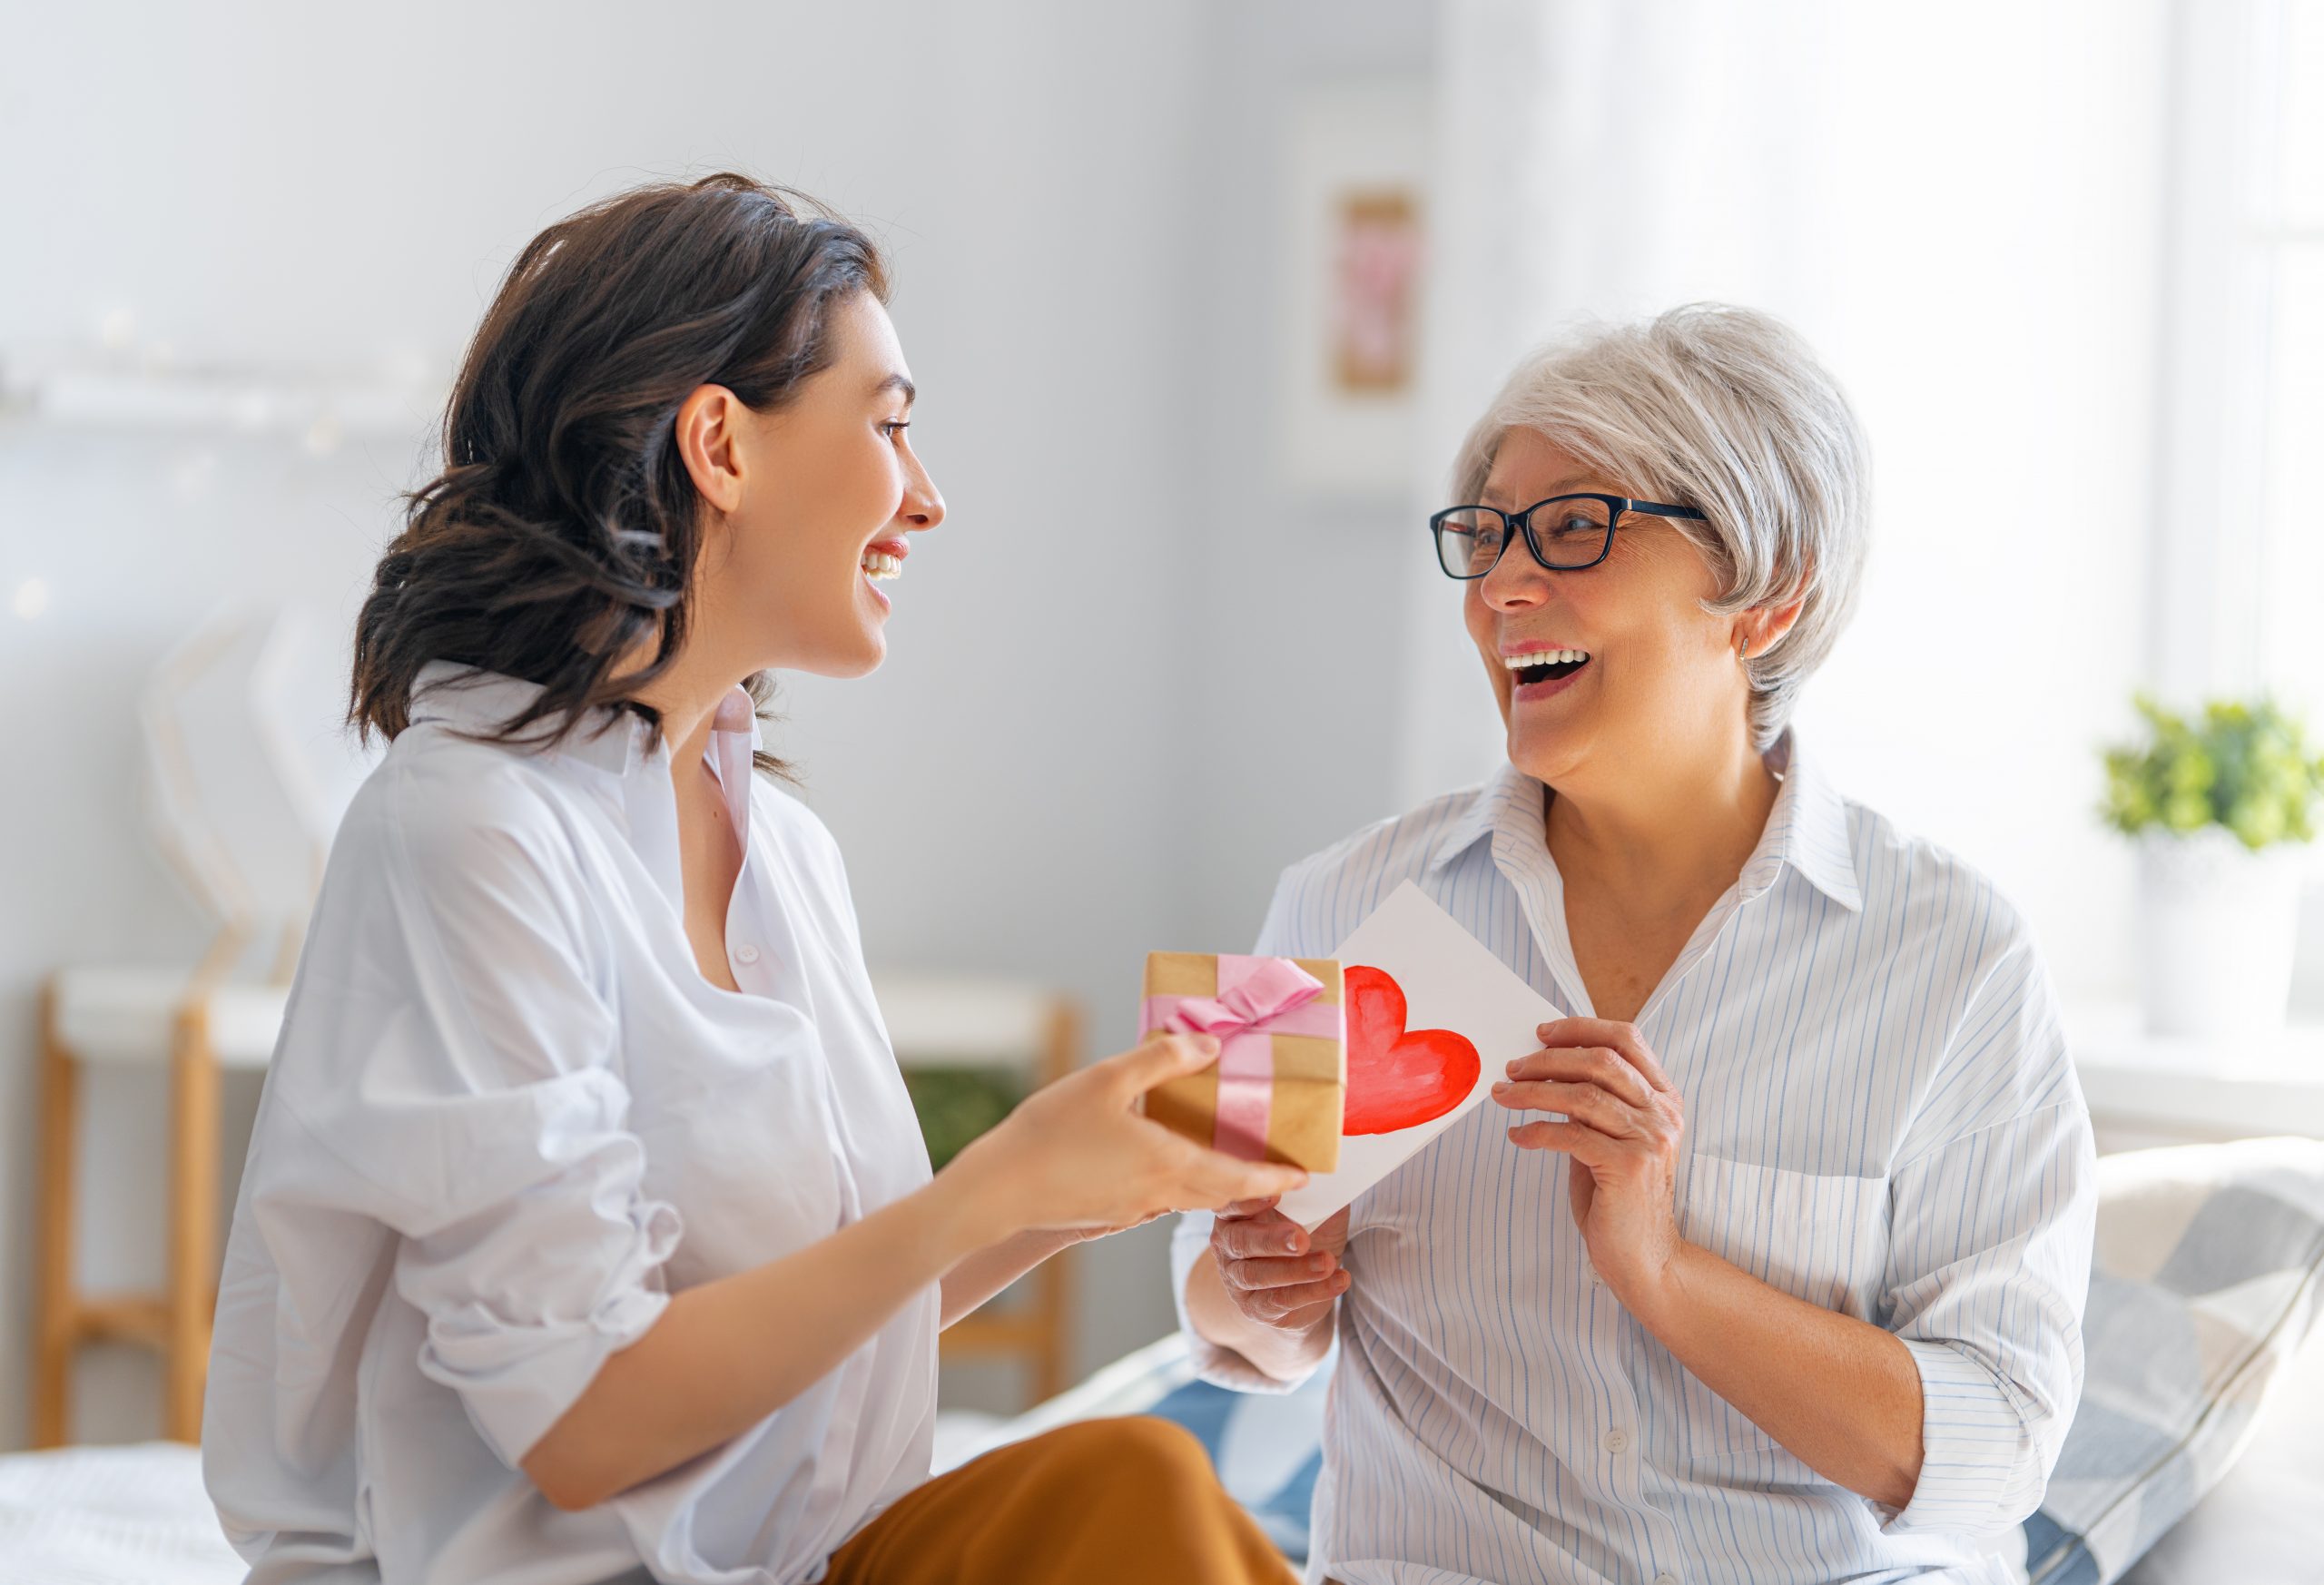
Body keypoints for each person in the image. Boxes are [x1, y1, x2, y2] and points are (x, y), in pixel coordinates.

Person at [202, 174, 1304, 1585]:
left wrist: (1095, 1180)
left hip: (797, 1565)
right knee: (1133, 1487)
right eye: (892, 425)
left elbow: (814, 1317)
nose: (928, 498)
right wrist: (997, 1182)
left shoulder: (782, 849)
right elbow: (586, 1424)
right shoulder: (466, 831)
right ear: (719, 441)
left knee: (1144, 1507)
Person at [1177, 305, 2097, 1584]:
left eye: (1572, 528)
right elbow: (1216, 1315)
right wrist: (1255, 1290)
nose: (1502, 587)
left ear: (1768, 596)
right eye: (1488, 533)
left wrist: (1665, 1272)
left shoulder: (1958, 960)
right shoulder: (1328, 904)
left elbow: (1999, 1446)